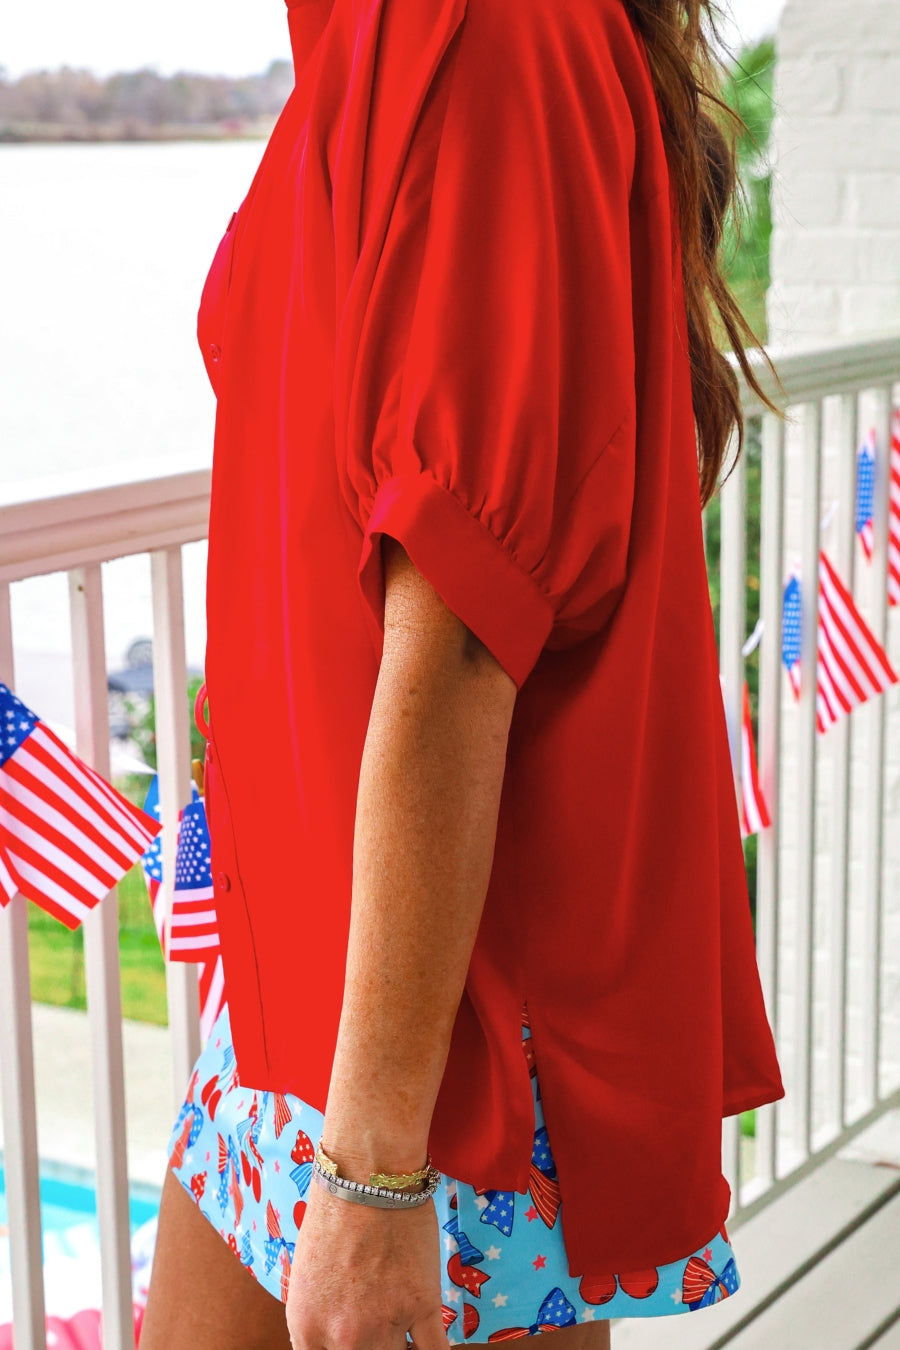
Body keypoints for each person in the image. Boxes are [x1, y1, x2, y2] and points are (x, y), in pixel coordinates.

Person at [140, 0, 785, 1346]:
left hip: (441, 1040)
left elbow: (465, 630)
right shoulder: (383, 34)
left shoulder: (484, 29)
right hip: (319, 973)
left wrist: (374, 1174)